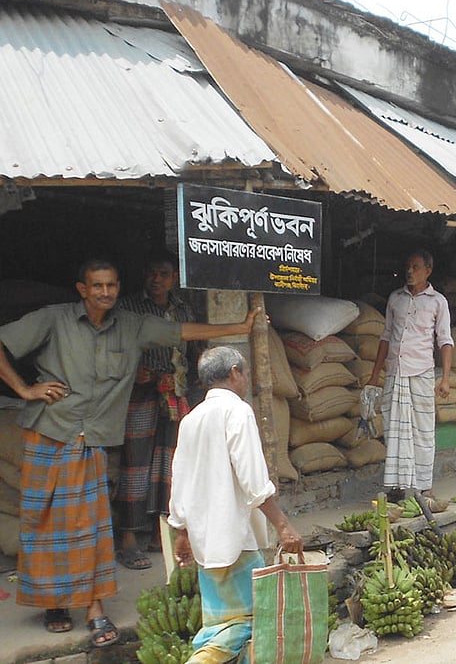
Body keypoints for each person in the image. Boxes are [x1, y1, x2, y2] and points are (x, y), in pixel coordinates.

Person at [0, 258, 261, 647]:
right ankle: (55, 603)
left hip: (92, 440)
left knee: (91, 525)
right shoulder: (54, 319)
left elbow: (181, 331)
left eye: (111, 285)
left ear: (119, 287)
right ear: (82, 289)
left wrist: (240, 327)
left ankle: (94, 608)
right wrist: (24, 389)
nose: (105, 292)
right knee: (44, 524)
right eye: (97, 285)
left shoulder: (131, 325)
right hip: (49, 432)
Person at [168, 346, 303, 663]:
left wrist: (182, 532)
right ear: (234, 372)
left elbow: (180, 479)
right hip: (235, 536)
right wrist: (283, 525)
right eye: (245, 372)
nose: (247, 379)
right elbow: (254, 481)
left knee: (219, 625)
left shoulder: (191, 419)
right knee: (247, 623)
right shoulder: (237, 411)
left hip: (204, 541)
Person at [113, 252, 197, 571]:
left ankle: (158, 534)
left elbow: (191, 350)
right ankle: (128, 539)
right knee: (135, 466)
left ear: (174, 277)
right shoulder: (128, 307)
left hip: (173, 395)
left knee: (170, 466)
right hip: (139, 394)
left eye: (163, 274)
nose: (157, 279)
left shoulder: (182, 309)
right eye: (152, 273)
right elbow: (112, 348)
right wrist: (132, 371)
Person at [367, 250, 454, 508]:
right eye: (408, 266)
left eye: (416, 267)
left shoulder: (438, 302)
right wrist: (374, 375)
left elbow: (445, 340)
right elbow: (386, 336)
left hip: (421, 372)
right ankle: (397, 486)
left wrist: (445, 378)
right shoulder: (395, 298)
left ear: (428, 271)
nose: (410, 271)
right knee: (394, 429)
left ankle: (425, 487)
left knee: (423, 430)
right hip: (395, 372)